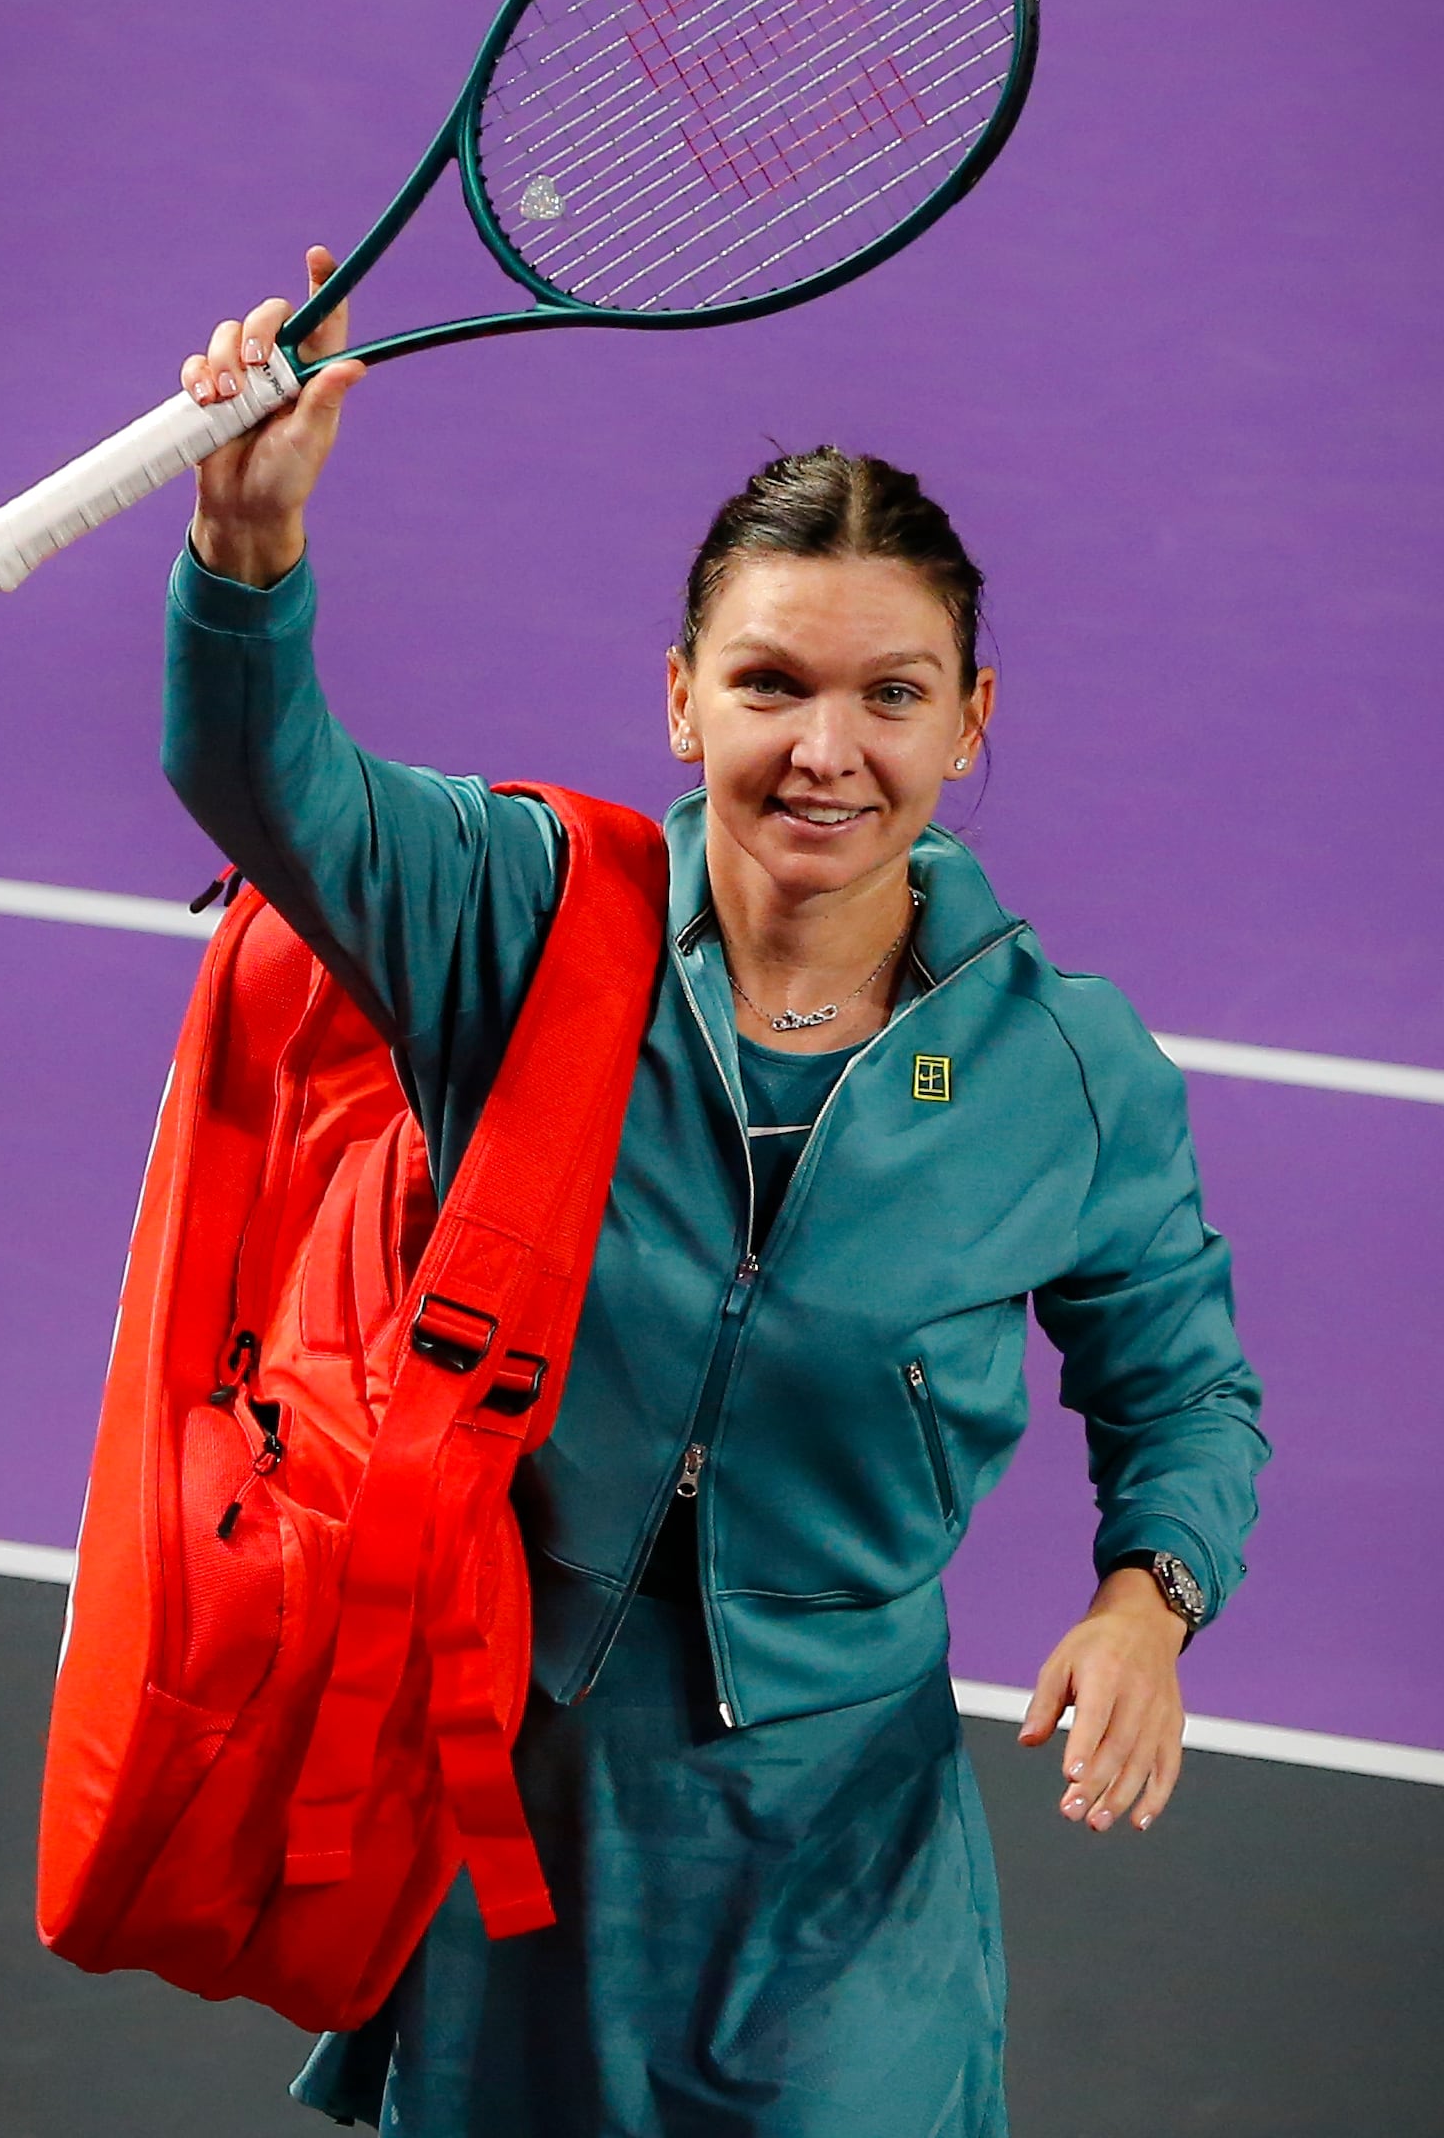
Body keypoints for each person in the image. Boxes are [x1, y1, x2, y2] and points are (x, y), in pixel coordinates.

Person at [161, 252, 1270, 2138]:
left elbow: (1184, 1394)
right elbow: (272, 790)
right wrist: (247, 562)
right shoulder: (521, 925)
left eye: (889, 695)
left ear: (969, 719)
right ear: (682, 701)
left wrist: (1151, 1597)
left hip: (844, 1843)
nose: (824, 750)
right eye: (768, 683)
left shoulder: (1067, 1077)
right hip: (511, 1786)